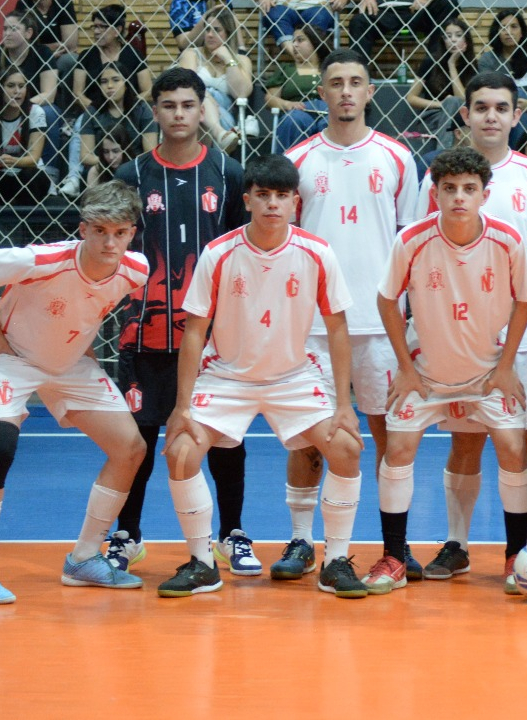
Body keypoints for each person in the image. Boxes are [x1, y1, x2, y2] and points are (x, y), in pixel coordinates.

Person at [156, 155, 364, 597]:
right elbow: (194, 331)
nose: (273, 204)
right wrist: (182, 405)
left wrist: (344, 404)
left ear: (295, 202)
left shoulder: (316, 252)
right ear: (247, 199)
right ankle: (201, 562)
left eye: (282, 196)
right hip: (227, 376)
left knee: (345, 447)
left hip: (293, 375)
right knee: (180, 452)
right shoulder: (219, 252)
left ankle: (337, 560)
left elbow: (338, 327)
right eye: (264, 196)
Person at [0, 180, 149, 603]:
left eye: (120, 232)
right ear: (84, 229)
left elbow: (91, 306)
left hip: (71, 366)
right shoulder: (44, 259)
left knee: (131, 449)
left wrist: (87, 351)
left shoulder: (136, 270)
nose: (110, 242)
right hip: (12, 357)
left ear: (132, 233)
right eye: (100, 231)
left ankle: (83, 558)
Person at [105, 68, 253, 576]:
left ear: (202, 107)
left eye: (188, 105)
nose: (179, 115)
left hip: (213, 333)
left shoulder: (230, 174)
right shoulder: (131, 176)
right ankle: (128, 532)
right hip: (144, 327)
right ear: (155, 109)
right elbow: (111, 250)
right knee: (140, 438)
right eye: (169, 105)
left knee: (225, 436)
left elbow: (243, 251)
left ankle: (231, 533)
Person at [280, 49, 420, 582]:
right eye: (335, 82)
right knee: (307, 438)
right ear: (321, 91)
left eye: (355, 82)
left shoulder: (397, 158)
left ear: (369, 91)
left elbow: (409, 243)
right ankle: (299, 542)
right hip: (314, 327)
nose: (345, 91)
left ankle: (395, 547)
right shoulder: (298, 162)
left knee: (390, 439)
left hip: (379, 325)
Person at [369, 145, 527, 595]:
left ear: (485, 192)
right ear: (435, 193)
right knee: (398, 450)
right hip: (426, 373)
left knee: (511, 446)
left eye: (468, 189)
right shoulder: (413, 240)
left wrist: (505, 367)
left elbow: (526, 300)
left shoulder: (508, 241)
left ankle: (515, 557)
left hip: (486, 373)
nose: (459, 197)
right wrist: (405, 367)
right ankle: (393, 555)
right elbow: (386, 300)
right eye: (449, 189)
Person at [414, 72, 527, 578]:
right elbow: (415, 253)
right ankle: (456, 543)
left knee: (525, 439)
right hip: (458, 336)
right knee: (466, 437)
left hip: (525, 334)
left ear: (516, 115)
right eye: (481, 107)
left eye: (501, 107)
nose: (491, 116)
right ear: (465, 114)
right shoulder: (437, 178)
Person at [0, 67, 54, 205]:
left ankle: (30, 225)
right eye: (11, 86)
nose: (17, 91)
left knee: (29, 175)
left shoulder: (36, 111)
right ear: (0, 88)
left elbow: (34, 159)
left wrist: (13, 161)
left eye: (22, 86)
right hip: (0, 175)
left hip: (28, 176)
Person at [177, 7, 252, 151]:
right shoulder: (191, 54)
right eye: (207, 30)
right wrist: (206, 95)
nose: (210, 35)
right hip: (192, 110)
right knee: (198, 97)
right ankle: (220, 135)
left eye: (217, 30)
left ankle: (207, 154)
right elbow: (186, 85)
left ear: (229, 33)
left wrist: (228, 59)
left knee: (203, 110)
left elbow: (241, 94)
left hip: (224, 113)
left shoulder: (242, 60)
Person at [478, 9, 527, 145]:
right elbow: (485, 92)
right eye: (503, 27)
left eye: (514, 26)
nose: (508, 31)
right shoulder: (487, 59)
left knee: (520, 100)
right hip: (498, 108)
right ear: (497, 32)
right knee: (515, 94)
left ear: (521, 32)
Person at [78, 64, 157, 182]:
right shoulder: (93, 111)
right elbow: (85, 156)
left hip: (135, 166)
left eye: (116, 80)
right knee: (90, 172)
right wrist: (109, 161)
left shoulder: (142, 109)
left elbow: (150, 151)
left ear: (126, 84)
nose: (109, 86)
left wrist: (125, 164)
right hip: (103, 167)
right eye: (104, 81)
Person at [72, 4, 153, 119]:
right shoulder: (86, 56)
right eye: (94, 27)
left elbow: (148, 90)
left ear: (117, 30)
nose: (96, 31)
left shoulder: (133, 54)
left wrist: (129, 107)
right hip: (93, 114)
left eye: (102, 27)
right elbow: (77, 93)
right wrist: (95, 111)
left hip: (128, 115)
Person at [406, 19, 476, 149]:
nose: (453, 40)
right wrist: (442, 104)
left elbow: (462, 100)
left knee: (455, 103)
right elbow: (411, 98)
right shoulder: (430, 62)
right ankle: (444, 153)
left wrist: (452, 65)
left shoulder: (472, 65)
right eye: (448, 36)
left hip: (462, 116)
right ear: (443, 41)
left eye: (458, 35)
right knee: (452, 103)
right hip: (432, 116)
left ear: (466, 39)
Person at [265, 24, 333, 152]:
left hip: (327, 110)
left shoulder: (330, 68)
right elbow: (270, 98)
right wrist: (287, 104)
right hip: (299, 110)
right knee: (294, 121)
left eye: (300, 40)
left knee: (330, 122)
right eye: (293, 41)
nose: (294, 45)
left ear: (314, 42)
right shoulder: (286, 69)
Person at [0, 12, 57, 108]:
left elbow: (49, 94)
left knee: (49, 112)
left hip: (34, 106)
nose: (7, 33)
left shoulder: (43, 53)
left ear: (28, 33)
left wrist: (22, 106)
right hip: (2, 108)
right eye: (5, 29)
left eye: (14, 29)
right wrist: (6, 107)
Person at [14, 0, 79, 75]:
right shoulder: (23, 4)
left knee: (71, 59)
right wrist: (48, 51)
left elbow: (70, 45)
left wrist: (39, 47)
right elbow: (21, 44)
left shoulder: (63, 2)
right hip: (33, 58)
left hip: (60, 58)